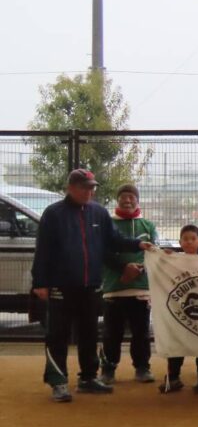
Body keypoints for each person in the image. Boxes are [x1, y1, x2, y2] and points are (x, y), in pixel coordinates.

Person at [32, 169, 155, 402]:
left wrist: (138, 245)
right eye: (84, 187)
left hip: (91, 285)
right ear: (71, 188)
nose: (89, 192)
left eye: (92, 188)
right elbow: (43, 250)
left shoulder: (98, 212)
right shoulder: (53, 214)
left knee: (89, 333)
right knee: (58, 335)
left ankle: (88, 378)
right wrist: (40, 282)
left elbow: (114, 240)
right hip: (61, 285)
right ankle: (58, 382)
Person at [98, 183, 159, 386]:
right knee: (111, 334)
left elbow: (153, 252)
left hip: (140, 289)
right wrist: (123, 269)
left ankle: (142, 368)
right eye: (123, 196)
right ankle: (108, 369)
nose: (127, 200)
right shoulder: (108, 224)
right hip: (114, 288)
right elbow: (103, 253)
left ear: (138, 201)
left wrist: (138, 270)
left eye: (131, 197)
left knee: (141, 333)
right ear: (118, 200)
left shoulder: (148, 226)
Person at [162, 224, 198, 394]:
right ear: (180, 242)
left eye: (193, 239)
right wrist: (163, 256)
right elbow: (159, 268)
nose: (189, 242)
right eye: (185, 239)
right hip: (180, 311)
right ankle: (173, 378)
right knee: (176, 344)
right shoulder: (174, 261)